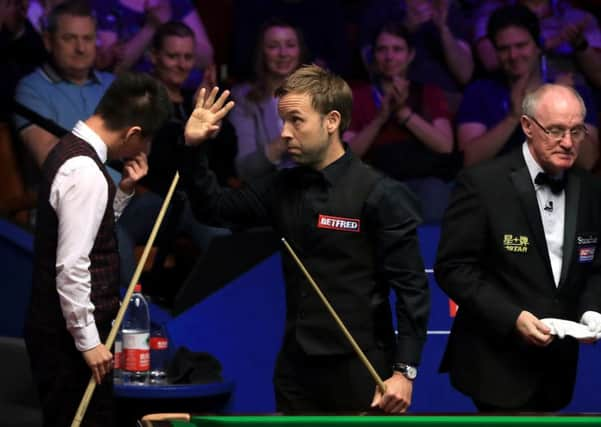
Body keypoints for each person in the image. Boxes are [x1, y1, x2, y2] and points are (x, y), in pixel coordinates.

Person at [181, 65, 430, 413]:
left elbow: (412, 290)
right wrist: (195, 148)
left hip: (363, 368)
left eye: (296, 120)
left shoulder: (380, 193)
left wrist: (404, 372)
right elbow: (214, 209)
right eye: (282, 121)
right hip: (296, 371)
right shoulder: (282, 186)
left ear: (331, 121)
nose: (284, 133)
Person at [435, 83, 601, 412]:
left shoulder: (590, 188)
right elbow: (453, 268)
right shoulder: (482, 183)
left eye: (576, 131)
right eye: (555, 131)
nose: (568, 143)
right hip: (495, 360)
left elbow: (595, 265)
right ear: (527, 126)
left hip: (557, 367)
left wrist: (593, 308)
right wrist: (514, 318)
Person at [24, 72, 171, 427]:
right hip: (66, 343)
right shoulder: (85, 171)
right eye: (146, 140)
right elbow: (73, 265)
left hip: (62, 336)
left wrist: (124, 191)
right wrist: (88, 341)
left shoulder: (72, 151)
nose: (145, 151)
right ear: (134, 133)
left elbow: (86, 232)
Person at [117, 21, 234, 293]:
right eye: (173, 56)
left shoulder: (193, 101)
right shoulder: (142, 101)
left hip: (194, 202)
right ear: (154, 57)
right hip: (155, 198)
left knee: (224, 241)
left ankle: (214, 317)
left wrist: (211, 117)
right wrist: (191, 131)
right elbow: (154, 162)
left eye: (188, 57)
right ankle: (129, 308)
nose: (182, 65)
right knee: (116, 230)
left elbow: (226, 159)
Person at [457, 4, 599, 170]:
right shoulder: (480, 92)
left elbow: (588, 162)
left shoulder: (571, 91)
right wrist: (512, 118)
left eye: (521, 46)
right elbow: (467, 161)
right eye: (504, 49)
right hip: (499, 187)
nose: (513, 56)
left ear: (538, 46)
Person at [344, 21, 455, 222]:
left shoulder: (429, 93)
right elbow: (347, 155)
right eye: (382, 50)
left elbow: (445, 146)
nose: (389, 57)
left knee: (435, 194)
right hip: (376, 180)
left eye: (397, 49)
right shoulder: (357, 97)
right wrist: (380, 118)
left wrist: (404, 113)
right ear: (374, 56)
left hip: (425, 179)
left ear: (410, 55)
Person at [14, 0, 114, 169]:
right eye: (69, 38)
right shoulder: (31, 89)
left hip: (128, 192)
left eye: (88, 38)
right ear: (48, 41)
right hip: (72, 194)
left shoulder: (112, 83)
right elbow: (53, 163)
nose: (81, 48)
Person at [229, 18, 306, 181]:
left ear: (300, 51)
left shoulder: (317, 94)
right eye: (273, 46)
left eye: (290, 45)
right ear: (262, 52)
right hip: (269, 195)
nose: (283, 53)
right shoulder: (244, 99)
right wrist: (286, 139)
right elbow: (245, 169)